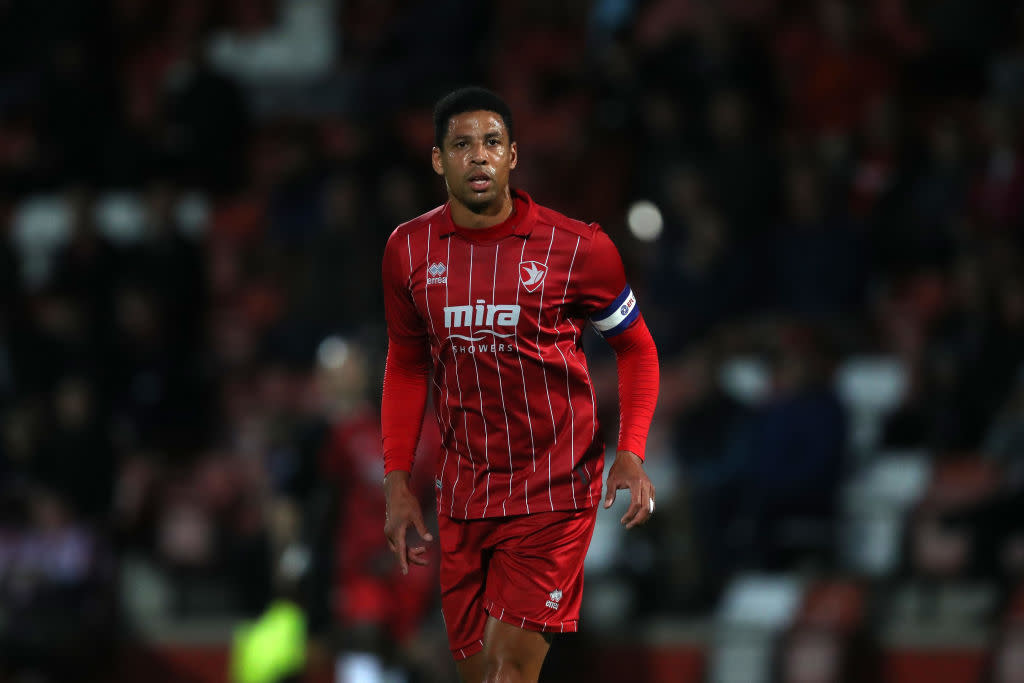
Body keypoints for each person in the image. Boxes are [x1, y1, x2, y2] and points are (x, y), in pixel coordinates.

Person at [380, 86, 660, 683]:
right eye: (461, 145)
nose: (478, 156)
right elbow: (406, 365)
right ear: (438, 160)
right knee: (480, 674)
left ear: (512, 156)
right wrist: (398, 482)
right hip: (463, 496)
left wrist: (631, 451)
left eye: (491, 142)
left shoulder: (579, 249)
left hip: (553, 493)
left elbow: (637, 348)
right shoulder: (408, 251)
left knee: (511, 669)